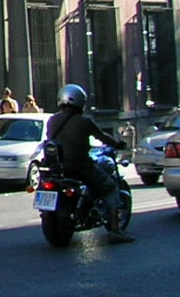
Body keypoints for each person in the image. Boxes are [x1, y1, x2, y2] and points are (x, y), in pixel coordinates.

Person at [45, 83, 132, 243]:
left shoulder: (52, 120)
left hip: (58, 168)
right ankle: (115, 229)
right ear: (80, 101)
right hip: (80, 166)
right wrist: (118, 144)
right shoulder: (84, 121)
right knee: (110, 187)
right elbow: (102, 136)